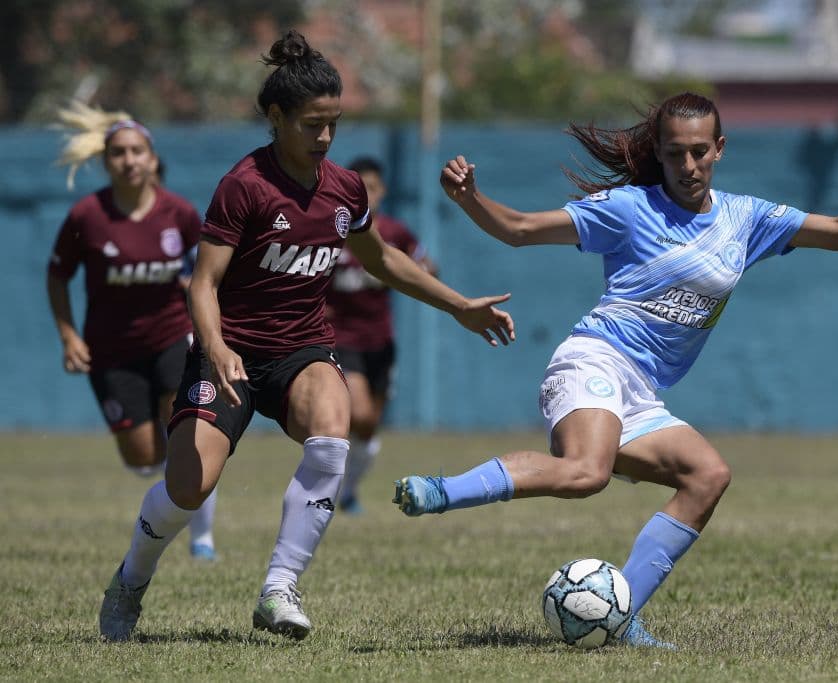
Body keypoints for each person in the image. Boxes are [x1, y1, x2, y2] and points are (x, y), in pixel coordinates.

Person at [393, 92, 838, 648]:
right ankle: (442, 490)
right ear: (661, 154)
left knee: (708, 476)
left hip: (641, 392)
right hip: (593, 360)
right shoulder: (629, 208)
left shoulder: (746, 219)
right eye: (675, 154)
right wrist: (471, 197)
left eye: (700, 152)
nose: (688, 166)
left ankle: (619, 615)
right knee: (585, 473)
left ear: (720, 149)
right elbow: (522, 228)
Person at [98, 29, 515, 642]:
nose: (324, 138)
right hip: (229, 352)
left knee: (332, 425)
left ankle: (279, 589)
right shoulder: (246, 186)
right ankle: (130, 579)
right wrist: (214, 348)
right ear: (276, 117)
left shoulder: (345, 190)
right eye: (311, 125)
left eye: (333, 125)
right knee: (189, 487)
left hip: (305, 349)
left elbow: (384, 260)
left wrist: (458, 306)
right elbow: (203, 284)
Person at [46, 101, 219, 562]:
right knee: (143, 457)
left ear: (152, 157)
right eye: (119, 152)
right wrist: (68, 335)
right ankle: (172, 487)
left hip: (172, 339)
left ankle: (202, 539)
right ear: (106, 161)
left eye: (137, 151)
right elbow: (57, 275)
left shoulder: (179, 213)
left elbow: (205, 271)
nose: (129, 160)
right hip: (111, 350)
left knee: (185, 435)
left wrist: (195, 289)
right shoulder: (87, 216)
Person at [325, 156, 437, 514]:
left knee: (369, 425)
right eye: (359, 187)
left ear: (382, 190)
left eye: (371, 187)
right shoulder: (333, 232)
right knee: (357, 413)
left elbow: (426, 266)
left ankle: (349, 491)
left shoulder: (394, 233)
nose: (366, 194)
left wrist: (419, 271)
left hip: (381, 342)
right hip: (342, 339)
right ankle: (330, 484)